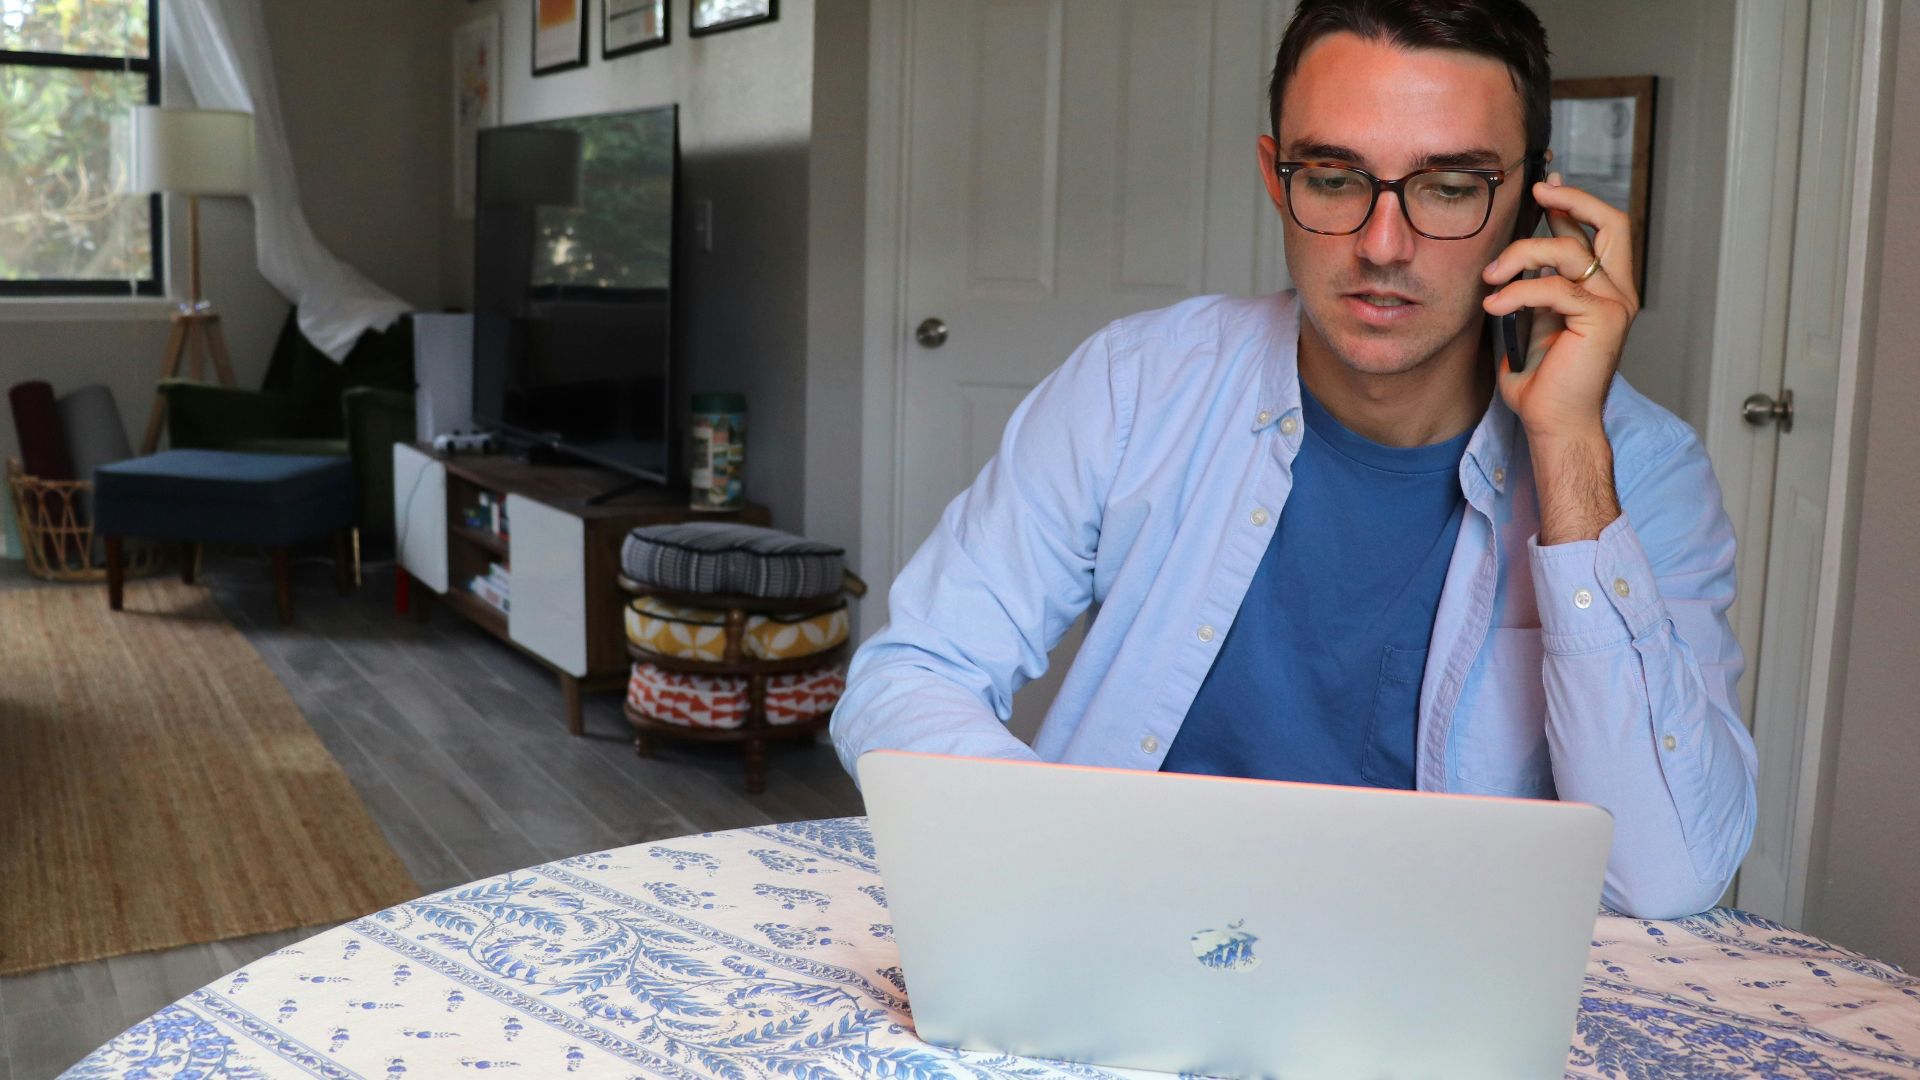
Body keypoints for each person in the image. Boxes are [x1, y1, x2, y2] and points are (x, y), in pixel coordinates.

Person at [830, 0, 1756, 920]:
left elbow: (1667, 874)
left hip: (1430, 978)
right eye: (1335, 177)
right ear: (1277, 176)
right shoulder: (1136, 385)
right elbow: (909, 672)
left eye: (1447, 186)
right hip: (1120, 924)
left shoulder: (1636, 468)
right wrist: (1070, 846)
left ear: (1533, 199)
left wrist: (1567, 454)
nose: (1381, 246)